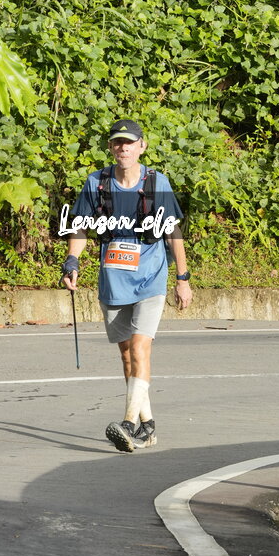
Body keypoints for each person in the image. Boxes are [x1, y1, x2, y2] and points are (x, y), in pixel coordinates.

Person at [61, 119, 193, 453]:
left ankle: (128, 424)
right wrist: (72, 260)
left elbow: (173, 232)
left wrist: (182, 279)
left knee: (139, 347)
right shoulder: (97, 182)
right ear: (111, 148)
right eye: (118, 143)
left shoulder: (156, 182)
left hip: (151, 277)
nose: (124, 148)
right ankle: (147, 427)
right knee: (126, 355)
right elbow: (80, 228)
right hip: (113, 279)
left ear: (141, 147)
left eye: (130, 142)